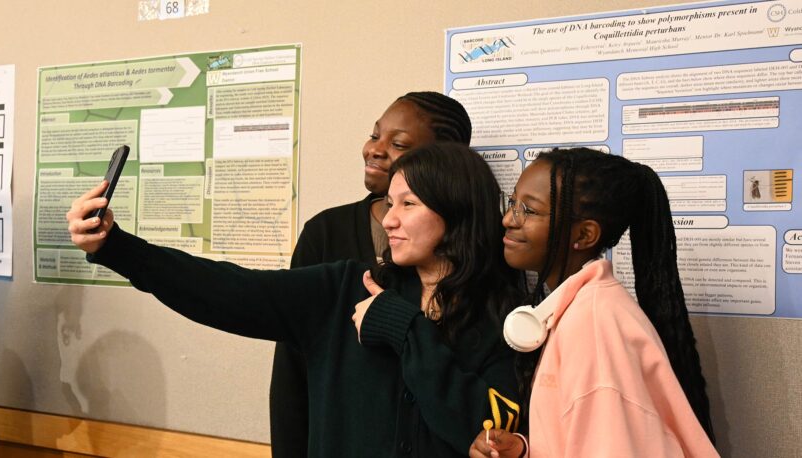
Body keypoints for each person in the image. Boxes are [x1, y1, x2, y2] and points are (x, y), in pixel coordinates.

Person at [67, 142, 525, 457]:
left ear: (456, 211)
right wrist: (117, 248)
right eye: (390, 203)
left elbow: (488, 430)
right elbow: (225, 292)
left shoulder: (502, 312)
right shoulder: (347, 288)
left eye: (409, 204)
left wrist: (403, 329)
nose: (389, 220)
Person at [469, 148, 718, 457]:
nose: (508, 219)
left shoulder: (595, 328)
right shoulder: (584, 308)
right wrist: (524, 449)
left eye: (529, 211)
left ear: (584, 235)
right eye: (512, 203)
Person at [272, 91, 472, 457]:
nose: (374, 149)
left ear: (443, 158)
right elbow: (292, 362)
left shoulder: (474, 249)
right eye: (374, 134)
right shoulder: (326, 232)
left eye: (397, 143)